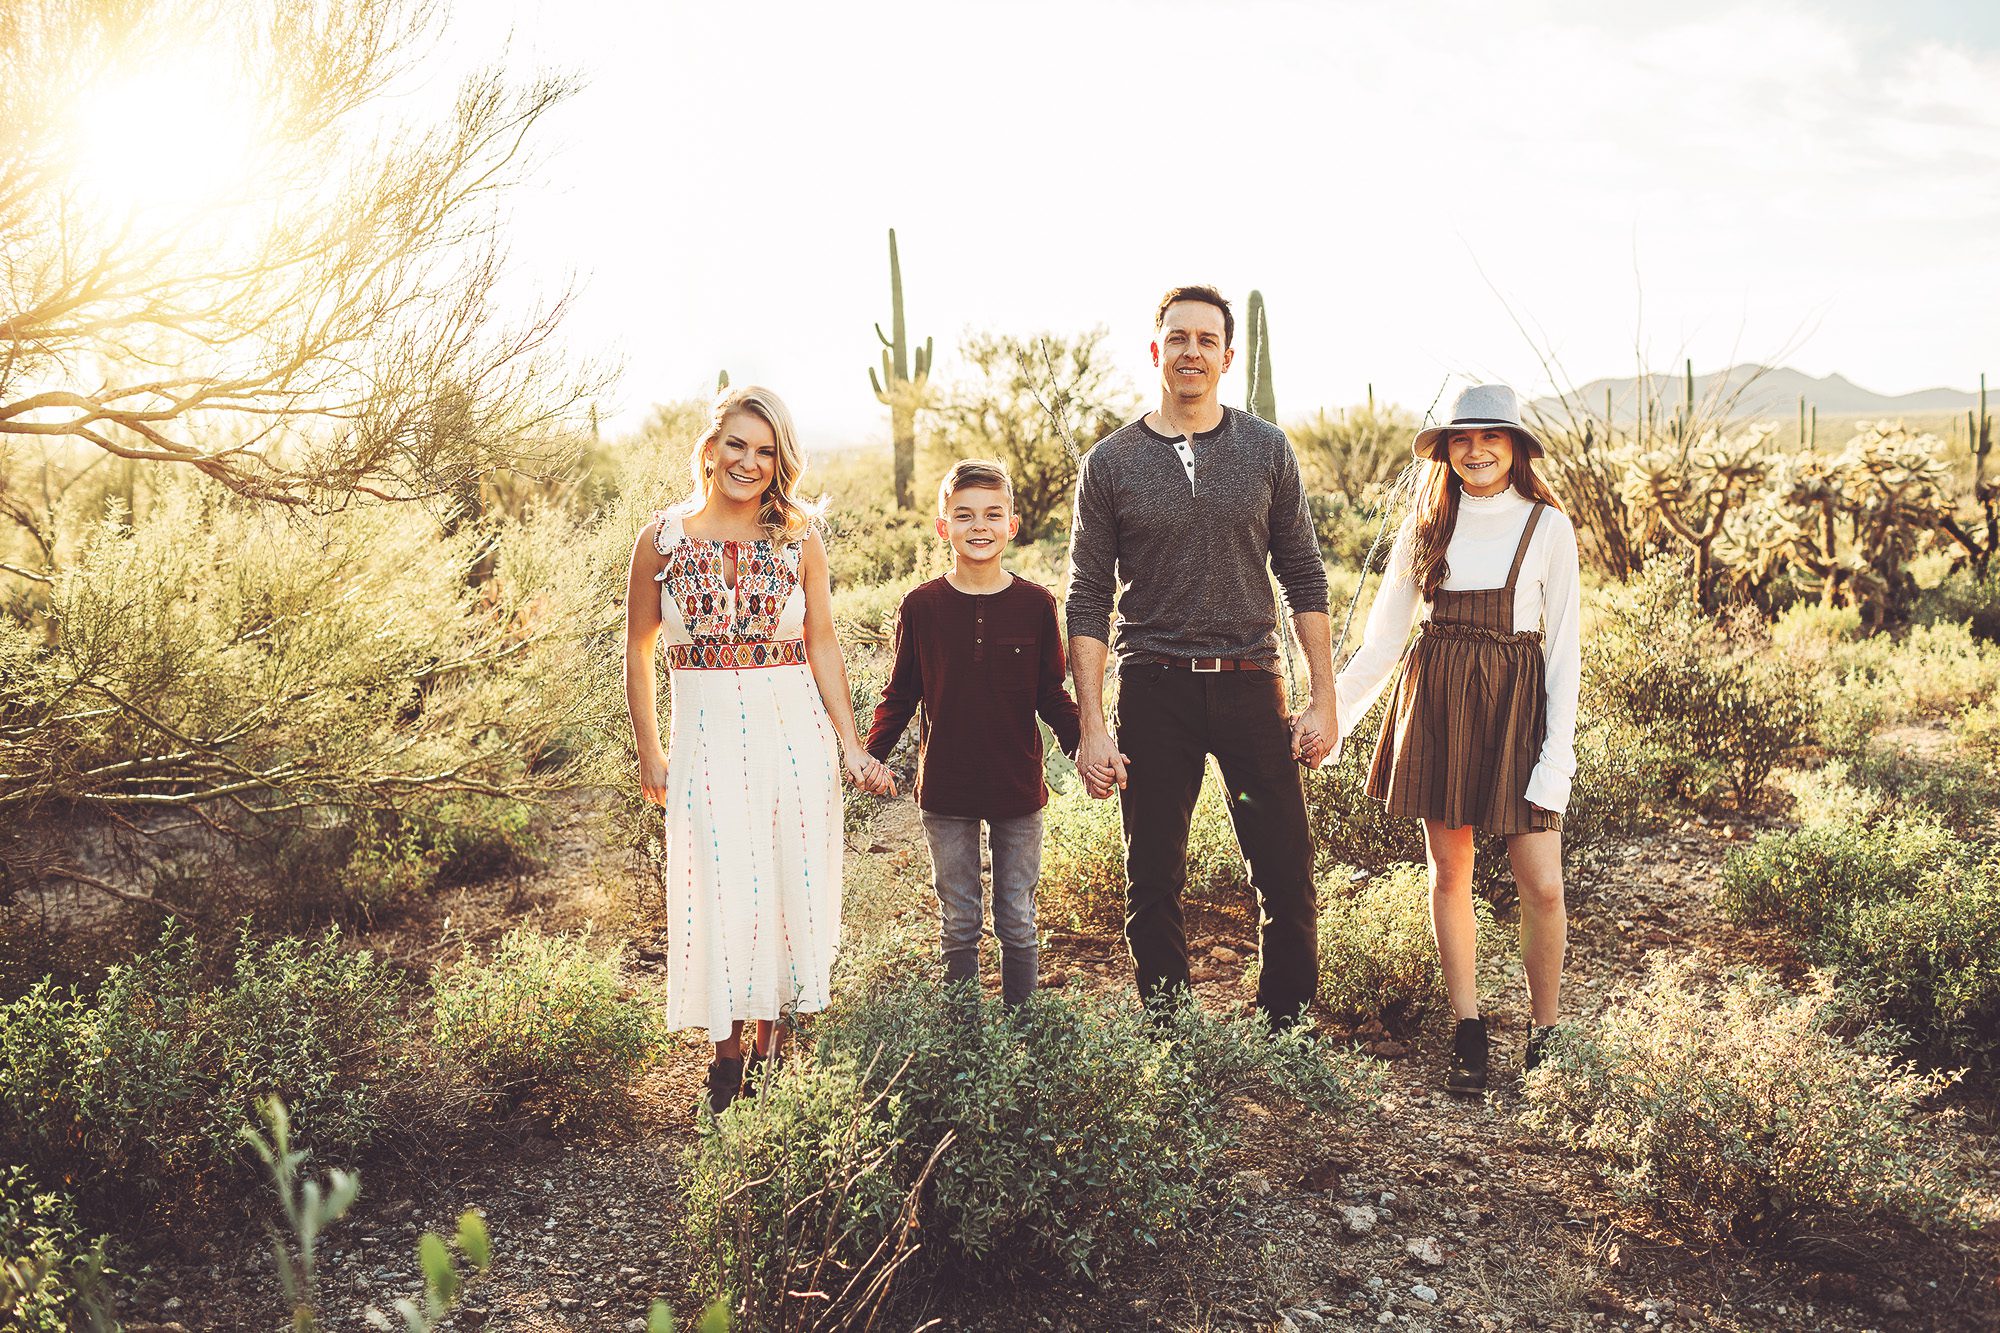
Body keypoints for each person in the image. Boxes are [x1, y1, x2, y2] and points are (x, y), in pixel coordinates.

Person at [1065, 285, 1335, 1029]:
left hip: (1253, 686)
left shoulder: (1266, 449)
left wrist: (1323, 698)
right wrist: (1092, 723)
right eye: (1176, 338)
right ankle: (1170, 1036)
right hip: (1154, 690)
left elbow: (1304, 573)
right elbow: (1086, 597)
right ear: (1157, 352)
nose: (1191, 351)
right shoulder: (1111, 462)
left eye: (1205, 339)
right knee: (1152, 879)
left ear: (1227, 355)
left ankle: (1287, 1034)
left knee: (1284, 872)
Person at [623, 385, 894, 1118]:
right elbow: (639, 653)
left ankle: (769, 1060)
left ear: (781, 462)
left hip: (792, 732)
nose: (749, 462)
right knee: (719, 885)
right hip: (705, 735)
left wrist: (849, 744)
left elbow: (824, 642)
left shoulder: (800, 537)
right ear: (710, 449)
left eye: (766, 451)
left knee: (780, 885)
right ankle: (725, 1062)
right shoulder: (663, 539)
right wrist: (650, 753)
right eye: (737, 445)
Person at [1331, 383, 1581, 1094]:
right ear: (1446, 450)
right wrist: (1331, 720)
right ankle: (1467, 1029)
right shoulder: (1426, 525)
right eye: (1461, 439)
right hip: (1440, 699)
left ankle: (1545, 1032)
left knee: (1543, 882)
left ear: (1515, 448)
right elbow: (1383, 642)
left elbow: (1564, 653)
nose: (1475, 450)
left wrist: (1554, 760)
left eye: (1490, 437)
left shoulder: (1546, 527)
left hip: (1516, 709)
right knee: (1452, 873)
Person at [868, 459, 1082, 1007]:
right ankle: (965, 1043)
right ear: (944, 527)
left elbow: (1050, 693)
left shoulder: (1036, 605)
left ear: (1013, 525)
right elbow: (901, 693)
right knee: (959, 921)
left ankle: (1021, 1030)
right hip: (946, 790)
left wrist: (1086, 743)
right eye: (963, 515)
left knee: (1017, 917)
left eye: (992, 514)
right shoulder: (922, 607)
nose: (978, 526)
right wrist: (867, 756)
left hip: (1017, 790)